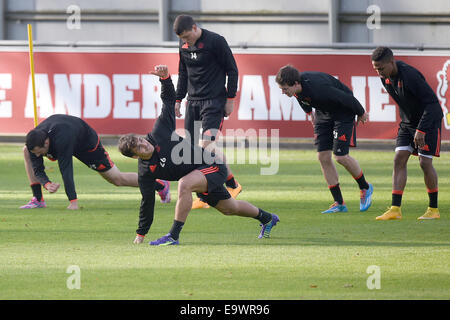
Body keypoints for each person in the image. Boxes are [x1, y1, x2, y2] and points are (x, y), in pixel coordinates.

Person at [118, 65, 279, 245]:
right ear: (135, 157)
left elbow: (168, 102)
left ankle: (173, 236)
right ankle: (268, 218)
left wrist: (165, 80)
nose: (144, 145)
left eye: (141, 141)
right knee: (229, 208)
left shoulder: (159, 133)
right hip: (199, 175)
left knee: (184, 184)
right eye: (138, 148)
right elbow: (147, 202)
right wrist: (141, 234)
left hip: (212, 165)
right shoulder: (145, 172)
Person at [276, 65, 373, 214]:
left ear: (295, 84)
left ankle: (365, 187)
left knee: (340, 157)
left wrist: (361, 112)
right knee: (323, 156)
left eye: (285, 89)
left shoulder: (319, 89)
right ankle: (339, 203)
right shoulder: (297, 89)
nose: (283, 92)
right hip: (323, 113)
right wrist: (310, 113)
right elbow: (301, 98)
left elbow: (346, 98)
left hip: (343, 111)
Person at [20, 114, 170, 210]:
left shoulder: (61, 138)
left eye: (39, 152)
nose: (38, 155)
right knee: (26, 152)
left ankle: (160, 185)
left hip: (87, 144)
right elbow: (37, 168)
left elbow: (66, 169)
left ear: (46, 143)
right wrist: (46, 183)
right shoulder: (35, 141)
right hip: (66, 138)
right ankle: (38, 200)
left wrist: (73, 202)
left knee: (116, 179)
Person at [173, 14, 241, 209]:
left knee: (205, 146)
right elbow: (183, 73)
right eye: (182, 39)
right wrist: (178, 99)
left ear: (195, 28)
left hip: (214, 102)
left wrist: (230, 99)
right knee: (192, 152)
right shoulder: (183, 45)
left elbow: (232, 70)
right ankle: (228, 186)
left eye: (187, 37)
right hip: (193, 102)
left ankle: (217, 191)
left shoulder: (216, 41)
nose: (185, 41)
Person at [371, 47, 443, 221]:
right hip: (407, 124)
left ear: (391, 62)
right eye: (375, 69)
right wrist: (408, 123)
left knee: (424, 163)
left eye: (381, 68)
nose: (379, 72)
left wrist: (421, 129)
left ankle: (433, 209)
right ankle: (395, 209)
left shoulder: (410, 76)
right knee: (399, 158)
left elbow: (433, 105)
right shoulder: (385, 78)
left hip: (428, 122)